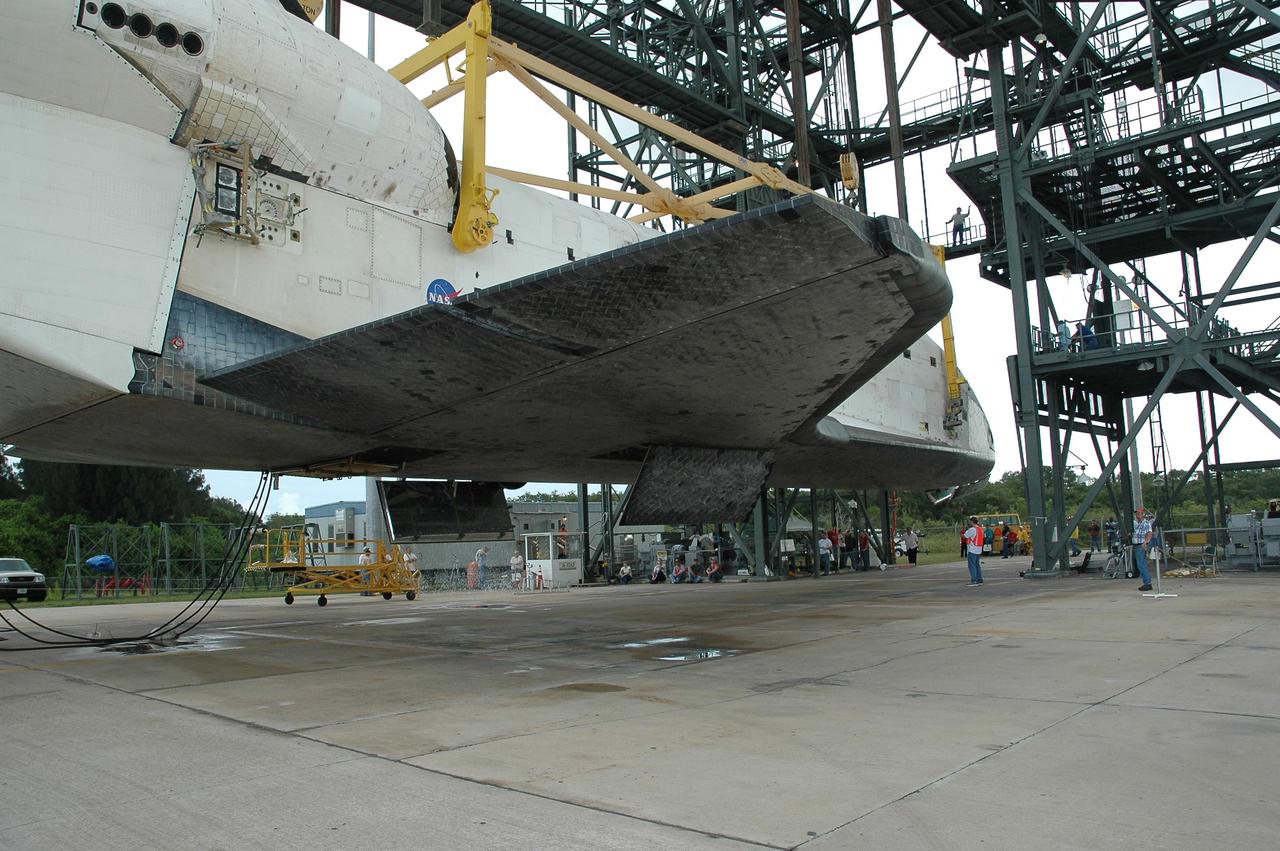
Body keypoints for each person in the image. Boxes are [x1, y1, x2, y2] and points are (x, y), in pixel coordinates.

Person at [1132, 507, 1154, 591]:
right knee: (1139, 564)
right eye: (1136, 513)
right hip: (1136, 545)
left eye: (1139, 513)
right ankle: (1146, 582)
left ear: (1143, 514)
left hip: (1141, 545)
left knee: (1141, 564)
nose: (1137, 515)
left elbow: (1149, 533)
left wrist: (1146, 542)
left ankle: (1147, 583)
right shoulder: (1135, 523)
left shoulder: (1146, 523)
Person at [963, 516, 984, 586]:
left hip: (972, 549)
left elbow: (964, 536)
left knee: (972, 565)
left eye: (970, 521)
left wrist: (963, 531)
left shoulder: (972, 529)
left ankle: (974, 580)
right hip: (978, 549)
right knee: (977, 565)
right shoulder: (980, 529)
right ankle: (979, 579)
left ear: (972, 521)